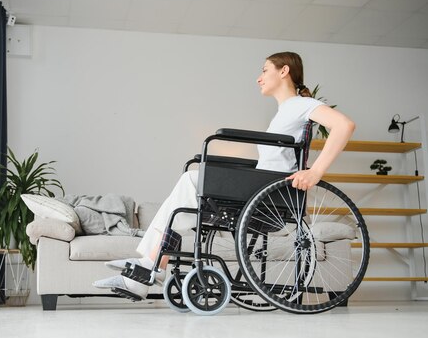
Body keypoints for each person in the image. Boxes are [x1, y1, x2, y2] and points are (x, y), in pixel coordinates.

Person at [93, 51, 356, 299]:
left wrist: (315, 171)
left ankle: (150, 266)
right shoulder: (283, 113)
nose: (259, 77)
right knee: (187, 198)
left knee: (191, 181)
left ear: (284, 71)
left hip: (271, 193)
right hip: (262, 187)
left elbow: (344, 125)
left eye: (265, 70)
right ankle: (149, 267)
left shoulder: (302, 104)